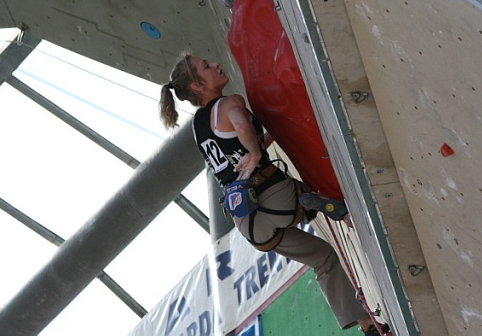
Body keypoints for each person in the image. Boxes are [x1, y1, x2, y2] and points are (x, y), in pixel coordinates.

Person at [159, 54, 390, 336]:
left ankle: (368, 327)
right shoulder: (229, 103)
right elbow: (242, 128)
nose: (216, 64)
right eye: (206, 67)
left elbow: (237, 152)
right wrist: (256, 153)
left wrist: (262, 143)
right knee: (309, 189)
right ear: (197, 85)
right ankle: (317, 205)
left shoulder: (198, 127)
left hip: (251, 225)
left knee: (323, 258)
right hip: (276, 197)